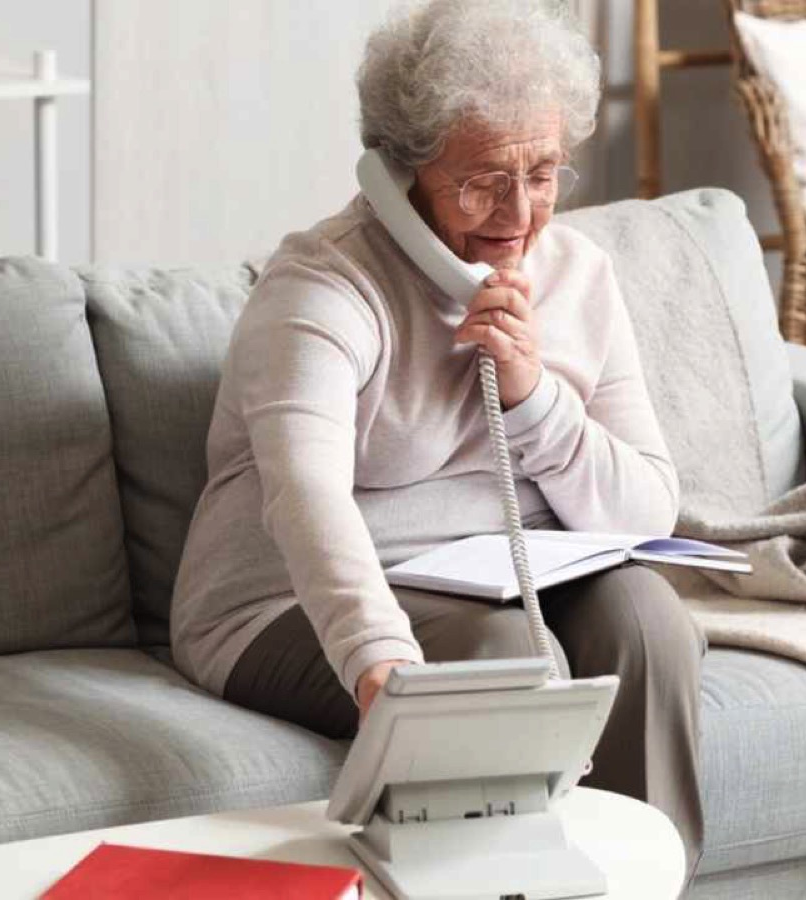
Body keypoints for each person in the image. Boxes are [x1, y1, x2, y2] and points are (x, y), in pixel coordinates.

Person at [170, 0, 706, 880]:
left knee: (649, 620)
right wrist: (379, 661)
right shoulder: (326, 285)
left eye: (543, 173)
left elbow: (646, 507)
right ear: (403, 170)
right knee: (499, 664)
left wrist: (533, 399)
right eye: (483, 179)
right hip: (287, 606)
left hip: (506, 575)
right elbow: (306, 500)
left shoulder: (580, 277)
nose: (520, 213)